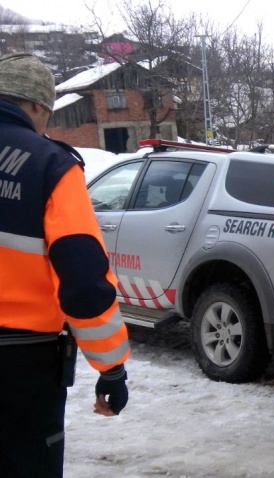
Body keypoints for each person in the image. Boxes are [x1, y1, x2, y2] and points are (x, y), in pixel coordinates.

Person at [0, 53, 130, 477]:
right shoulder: (48, 164)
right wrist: (110, 367)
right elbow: (83, 280)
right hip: (20, 367)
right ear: (37, 106)